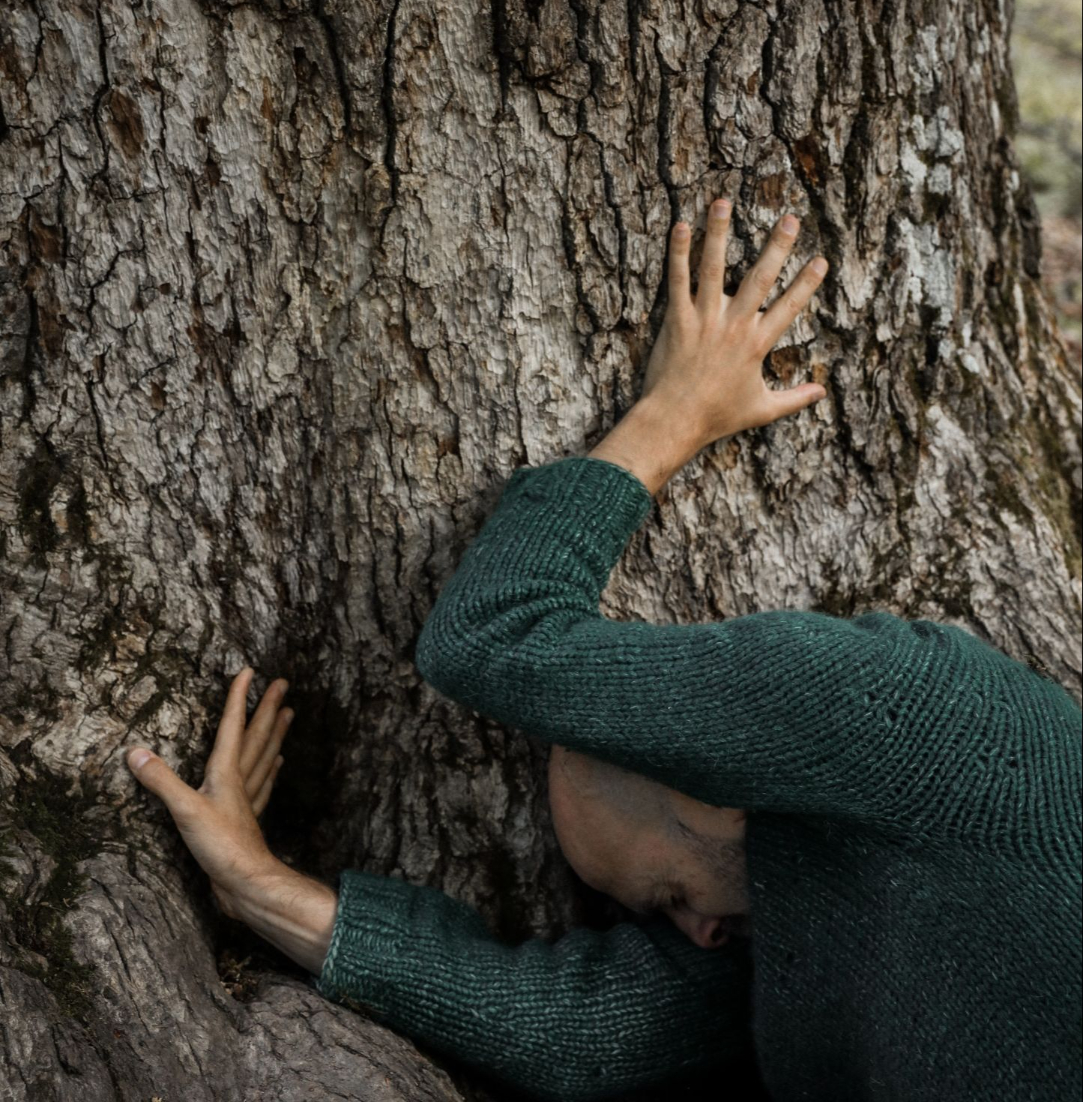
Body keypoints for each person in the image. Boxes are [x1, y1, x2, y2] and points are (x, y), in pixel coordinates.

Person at [125, 201, 1083, 1101]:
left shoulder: (915, 721)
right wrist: (255, 889)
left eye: (665, 895)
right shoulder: (782, 898)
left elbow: (489, 638)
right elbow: (579, 1031)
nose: (695, 934)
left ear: (712, 773)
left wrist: (676, 413)